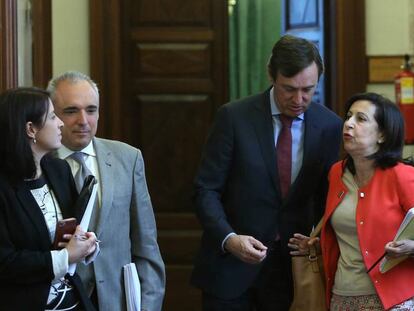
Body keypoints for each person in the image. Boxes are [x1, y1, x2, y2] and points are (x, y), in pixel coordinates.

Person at [190, 34, 342, 310]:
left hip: (294, 273)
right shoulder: (234, 118)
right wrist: (229, 238)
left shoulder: (331, 126)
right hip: (231, 270)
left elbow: (328, 197)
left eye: (308, 89)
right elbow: (205, 190)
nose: (299, 99)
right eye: (289, 89)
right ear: (271, 76)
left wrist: (319, 238)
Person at [47, 71, 166, 311]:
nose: (83, 120)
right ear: (53, 115)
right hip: (58, 299)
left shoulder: (128, 158)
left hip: (116, 299)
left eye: (91, 110)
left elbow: (146, 244)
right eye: (71, 111)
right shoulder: (38, 164)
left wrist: (149, 305)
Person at [289, 92, 414, 310]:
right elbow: (347, 232)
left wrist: (411, 247)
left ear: (382, 135)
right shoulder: (336, 172)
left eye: (361, 119)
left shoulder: (402, 176)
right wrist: (319, 245)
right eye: (348, 116)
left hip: (392, 300)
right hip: (341, 295)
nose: (348, 123)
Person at [0, 87, 98, 310]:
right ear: (30, 129)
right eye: (53, 117)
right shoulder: (4, 187)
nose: (61, 123)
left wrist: (87, 243)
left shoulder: (58, 169)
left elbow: (72, 228)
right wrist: (65, 257)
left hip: (73, 300)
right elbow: (5, 262)